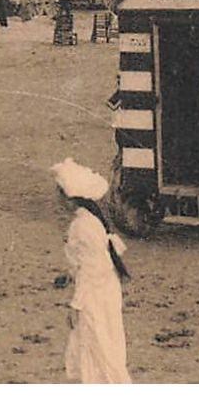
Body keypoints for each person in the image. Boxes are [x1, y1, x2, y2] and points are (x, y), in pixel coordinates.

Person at [50, 158, 131, 384]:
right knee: (104, 345)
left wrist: (76, 304)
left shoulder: (82, 226)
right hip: (103, 290)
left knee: (97, 347)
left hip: (94, 294)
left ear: (69, 198)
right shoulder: (92, 220)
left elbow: (91, 269)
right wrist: (70, 275)